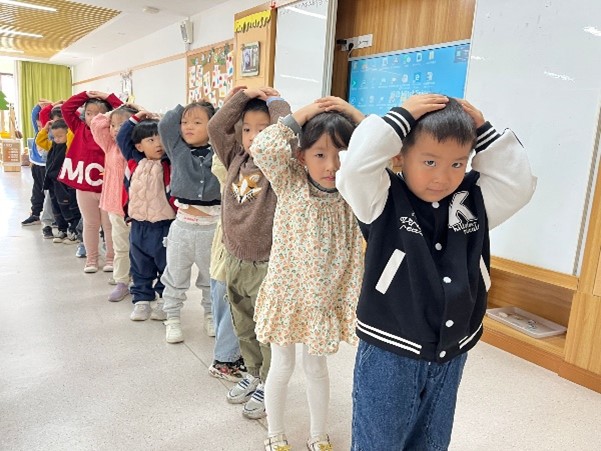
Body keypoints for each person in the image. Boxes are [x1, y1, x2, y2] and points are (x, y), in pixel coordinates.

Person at [336, 94, 537, 450]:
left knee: (432, 440)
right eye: (429, 161)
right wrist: (400, 117)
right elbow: (353, 169)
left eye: (458, 163)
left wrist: (483, 130)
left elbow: (518, 185)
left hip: (452, 348)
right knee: (379, 442)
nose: (443, 177)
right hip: (391, 347)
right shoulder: (381, 196)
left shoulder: (473, 198)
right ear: (399, 156)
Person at [251, 97, 365, 451]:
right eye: (319, 154)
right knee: (282, 366)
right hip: (288, 295)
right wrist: (302, 115)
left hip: (325, 301)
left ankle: (318, 434)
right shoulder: (290, 181)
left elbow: (390, 154)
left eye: (340, 154)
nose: (331, 165)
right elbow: (263, 146)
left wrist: (354, 115)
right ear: (301, 156)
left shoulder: (353, 191)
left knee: (317, 369)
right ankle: (275, 433)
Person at [207, 86, 290, 420]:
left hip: (266, 262)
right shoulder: (235, 158)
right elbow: (216, 127)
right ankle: (253, 373)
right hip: (235, 257)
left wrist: (276, 103)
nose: (254, 137)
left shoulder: (279, 166)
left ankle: (269, 382)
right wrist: (241, 96)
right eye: (247, 129)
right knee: (243, 325)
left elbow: (288, 134)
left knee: (266, 329)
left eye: (263, 129)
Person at [157, 101, 220, 342]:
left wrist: (216, 110)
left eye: (197, 122)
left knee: (212, 276)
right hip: (183, 227)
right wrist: (187, 106)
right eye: (184, 122)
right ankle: (172, 318)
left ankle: (211, 315)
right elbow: (166, 124)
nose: (188, 127)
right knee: (175, 275)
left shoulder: (220, 150)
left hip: (212, 227)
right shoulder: (177, 149)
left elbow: (226, 124)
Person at [117, 112, 175, 321]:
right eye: (151, 140)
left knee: (166, 265)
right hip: (139, 225)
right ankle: (141, 300)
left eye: (160, 138)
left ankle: (164, 299)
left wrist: (164, 120)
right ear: (139, 146)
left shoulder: (170, 162)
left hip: (164, 226)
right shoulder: (135, 161)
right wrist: (136, 118)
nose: (158, 144)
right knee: (139, 265)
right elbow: (122, 137)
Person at [59, 91, 122, 273]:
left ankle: (111, 258)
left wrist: (107, 96)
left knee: (109, 225)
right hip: (85, 186)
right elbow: (66, 108)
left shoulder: (111, 134)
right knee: (90, 223)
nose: (93, 118)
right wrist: (86, 94)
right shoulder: (78, 128)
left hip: (107, 187)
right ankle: (91, 259)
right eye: (89, 113)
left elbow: (124, 111)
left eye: (99, 114)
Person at [90, 105, 138, 302]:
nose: (116, 129)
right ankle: (122, 281)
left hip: (139, 208)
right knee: (120, 246)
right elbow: (96, 123)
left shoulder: (141, 146)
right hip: (116, 205)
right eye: (113, 125)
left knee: (139, 248)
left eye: (122, 124)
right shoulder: (110, 146)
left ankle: (139, 280)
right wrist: (113, 113)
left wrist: (138, 113)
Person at [207, 154, 245, 381]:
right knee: (229, 305)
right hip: (229, 250)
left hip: (237, 250)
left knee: (236, 306)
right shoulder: (234, 166)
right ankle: (224, 360)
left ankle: (233, 356)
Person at [36, 119, 80, 245]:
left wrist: (69, 126)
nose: (57, 139)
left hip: (65, 184)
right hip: (53, 183)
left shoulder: (69, 147)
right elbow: (40, 141)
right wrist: (45, 129)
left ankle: (74, 231)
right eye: (54, 136)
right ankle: (62, 230)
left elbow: (71, 136)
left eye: (60, 136)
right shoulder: (52, 145)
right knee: (56, 208)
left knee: (69, 207)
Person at [22, 101, 54, 239]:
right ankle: (35, 214)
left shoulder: (50, 134)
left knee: (49, 195)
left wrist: (52, 105)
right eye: (39, 126)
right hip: (36, 165)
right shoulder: (38, 132)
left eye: (42, 126)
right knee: (37, 191)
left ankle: (51, 221)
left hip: (47, 166)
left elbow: (44, 116)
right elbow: (35, 114)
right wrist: (38, 105)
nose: (40, 128)